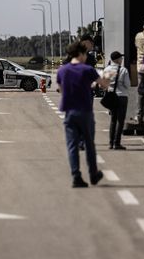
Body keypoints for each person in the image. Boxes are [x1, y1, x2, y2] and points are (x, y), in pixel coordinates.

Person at [57, 41, 110, 188]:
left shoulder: (62, 71)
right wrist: (109, 76)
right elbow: (104, 84)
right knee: (89, 145)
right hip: (85, 112)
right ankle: (93, 174)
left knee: (72, 146)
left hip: (69, 113)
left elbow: (62, 90)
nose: (86, 57)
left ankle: (76, 176)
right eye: (85, 54)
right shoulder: (87, 70)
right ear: (80, 54)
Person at [103, 51, 130, 150]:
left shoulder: (106, 69)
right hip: (122, 96)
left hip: (111, 96)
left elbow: (104, 84)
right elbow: (128, 84)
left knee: (113, 120)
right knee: (120, 120)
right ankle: (117, 143)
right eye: (121, 58)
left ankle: (111, 143)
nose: (122, 60)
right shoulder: (123, 70)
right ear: (118, 59)